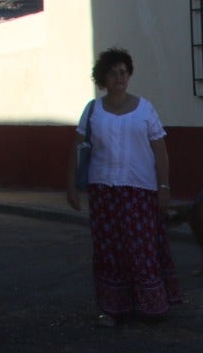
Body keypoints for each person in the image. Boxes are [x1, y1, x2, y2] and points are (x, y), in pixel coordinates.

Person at [64, 48, 180, 326]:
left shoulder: (144, 109)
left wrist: (163, 185)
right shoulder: (93, 111)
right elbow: (78, 148)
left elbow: (160, 150)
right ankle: (113, 308)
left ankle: (151, 305)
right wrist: (71, 186)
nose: (119, 77)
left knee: (141, 247)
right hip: (103, 190)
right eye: (113, 72)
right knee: (109, 250)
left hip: (139, 190)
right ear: (103, 77)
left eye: (123, 72)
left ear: (129, 76)